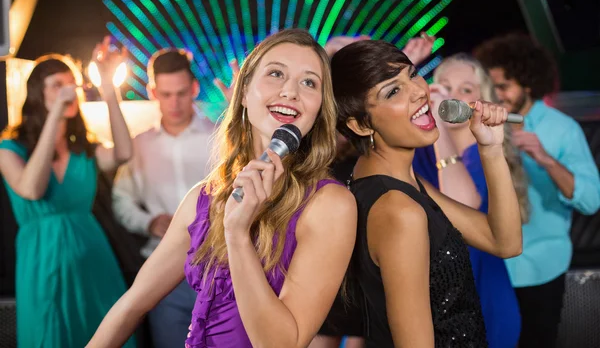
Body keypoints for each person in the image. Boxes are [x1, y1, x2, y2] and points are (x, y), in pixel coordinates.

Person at [86, 28, 357, 348]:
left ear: (319, 107)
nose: (290, 91)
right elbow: (132, 305)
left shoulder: (331, 204)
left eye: (309, 81)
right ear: (243, 93)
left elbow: (282, 344)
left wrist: (237, 233)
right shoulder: (204, 197)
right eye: (275, 73)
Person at [332, 39, 523, 347]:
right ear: (360, 124)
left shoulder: (394, 180)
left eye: (412, 74)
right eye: (393, 91)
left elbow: (505, 242)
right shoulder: (398, 209)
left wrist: (490, 148)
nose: (419, 91)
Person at [0, 39, 136, 348]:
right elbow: (32, 189)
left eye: (71, 85)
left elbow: (124, 152)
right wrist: (54, 118)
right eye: (57, 85)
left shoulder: (83, 149)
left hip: (92, 259)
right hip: (41, 260)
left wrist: (107, 87)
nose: (67, 91)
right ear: (38, 93)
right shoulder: (10, 149)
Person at [474, 33, 600, 348]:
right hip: (489, 266)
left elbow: (591, 200)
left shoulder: (562, 128)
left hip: (541, 266)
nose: (497, 94)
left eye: (504, 86)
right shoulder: (479, 125)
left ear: (528, 84)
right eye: (492, 86)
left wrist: (545, 160)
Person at [310, 33, 436, 348]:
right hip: (330, 252)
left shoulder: (378, 143)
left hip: (370, 245)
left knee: (365, 330)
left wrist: (400, 74)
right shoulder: (322, 128)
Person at [111, 48, 229, 347]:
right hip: (162, 271)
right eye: (165, 94)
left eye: (180, 93)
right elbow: (121, 201)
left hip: (219, 268)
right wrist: (148, 222)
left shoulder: (221, 138)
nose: (174, 103)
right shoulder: (139, 146)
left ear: (193, 88)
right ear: (152, 92)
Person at [413, 53, 528, 348]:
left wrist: (436, 122)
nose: (450, 97)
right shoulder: (421, 154)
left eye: (465, 90)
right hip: (440, 304)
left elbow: (461, 204)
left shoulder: (484, 155)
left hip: (483, 298)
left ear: (482, 101)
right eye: (444, 87)